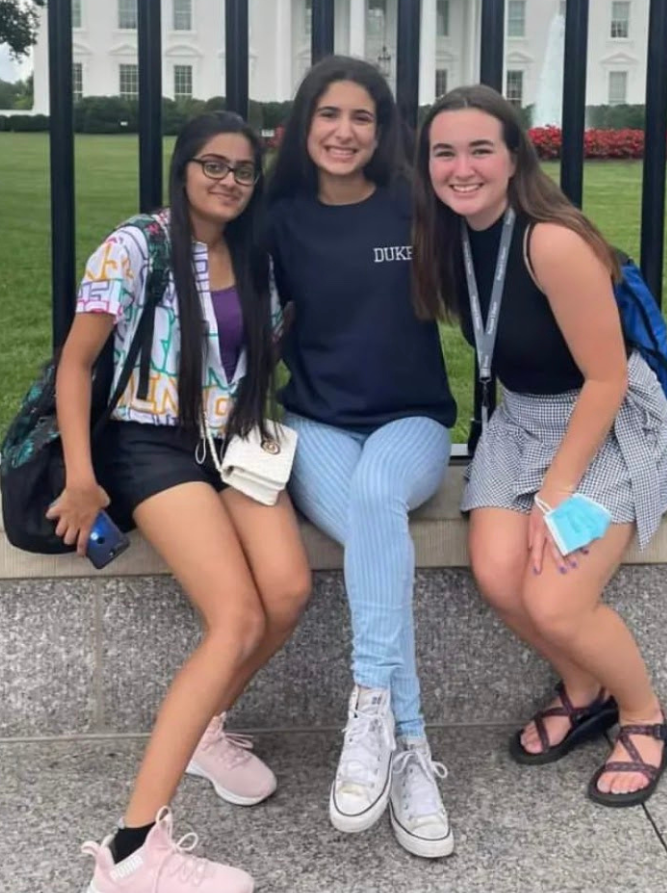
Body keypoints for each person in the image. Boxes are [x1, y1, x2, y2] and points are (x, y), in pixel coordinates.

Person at [408, 85, 667, 806]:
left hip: (606, 421)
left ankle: (643, 715)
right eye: (444, 152)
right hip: (522, 420)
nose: (460, 168)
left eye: (478, 150)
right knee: (500, 578)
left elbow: (606, 378)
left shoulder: (551, 241)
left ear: (512, 158)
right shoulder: (449, 237)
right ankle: (585, 688)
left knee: (556, 602)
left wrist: (556, 490)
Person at [59, 112, 308, 893]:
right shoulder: (136, 247)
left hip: (231, 445)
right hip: (149, 445)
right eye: (214, 165)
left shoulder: (253, 254)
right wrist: (80, 476)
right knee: (235, 616)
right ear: (183, 167)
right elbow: (76, 365)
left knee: (290, 592)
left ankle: (204, 733)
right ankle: (133, 850)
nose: (229, 181)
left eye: (243, 170)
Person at [265, 57, 459, 858]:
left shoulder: (415, 207)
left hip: (411, 422)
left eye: (362, 118)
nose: (344, 132)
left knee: (379, 500)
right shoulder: (277, 218)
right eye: (329, 114)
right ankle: (408, 747)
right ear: (304, 122)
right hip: (316, 426)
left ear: (383, 132)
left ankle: (372, 707)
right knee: (378, 534)